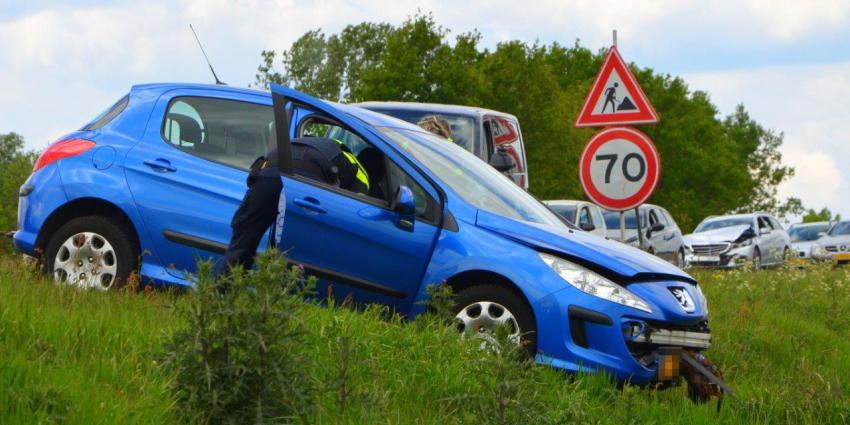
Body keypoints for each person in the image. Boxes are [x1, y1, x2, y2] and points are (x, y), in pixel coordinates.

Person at [215, 145, 283, 277]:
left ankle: (226, 290)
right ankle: (225, 290)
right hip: (278, 179)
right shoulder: (330, 153)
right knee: (244, 242)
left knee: (243, 242)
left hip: (270, 177)